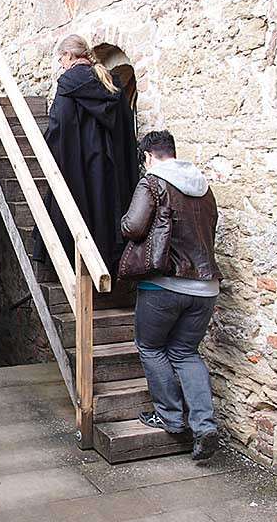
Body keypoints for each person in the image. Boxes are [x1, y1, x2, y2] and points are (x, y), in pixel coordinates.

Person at [121, 130, 222, 460]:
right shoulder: (203, 187)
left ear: (148, 156)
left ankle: (171, 418)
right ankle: (204, 426)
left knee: (150, 347)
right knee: (185, 352)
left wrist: (122, 222)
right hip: (206, 287)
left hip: (164, 284)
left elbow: (134, 227)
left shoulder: (152, 182)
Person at [33, 34, 138, 273]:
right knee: (106, 210)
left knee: (78, 210)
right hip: (111, 166)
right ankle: (109, 267)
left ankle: (79, 270)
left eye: (61, 58)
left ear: (69, 55)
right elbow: (125, 130)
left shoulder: (68, 83)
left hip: (80, 166)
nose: (61, 63)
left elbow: (59, 126)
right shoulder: (111, 82)